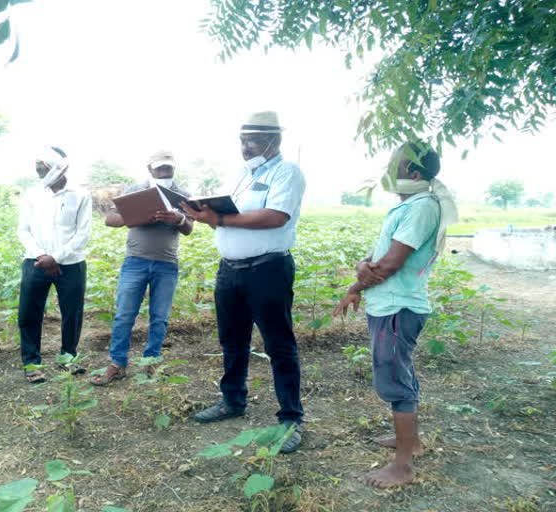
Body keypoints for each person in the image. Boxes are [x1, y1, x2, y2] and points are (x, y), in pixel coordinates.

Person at [332, 141, 457, 488]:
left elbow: (389, 263)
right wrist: (358, 278)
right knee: (401, 372)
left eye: (395, 164)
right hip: (391, 306)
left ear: (413, 173)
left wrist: (362, 278)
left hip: (398, 309)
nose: (388, 169)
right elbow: (376, 258)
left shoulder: (421, 207)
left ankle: (402, 467)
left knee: (395, 382)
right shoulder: (409, 206)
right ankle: (411, 442)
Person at [182, 111, 305, 454]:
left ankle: (291, 419)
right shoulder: (241, 175)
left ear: (273, 139)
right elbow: (230, 221)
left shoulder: (287, 172)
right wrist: (205, 216)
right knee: (232, 341)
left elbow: (274, 216)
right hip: (230, 271)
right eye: (241, 139)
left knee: (278, 345)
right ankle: (232, 401)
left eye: (251, 139)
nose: (244, 145)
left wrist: (219, 216)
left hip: (267, 270)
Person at [91, 150, 193, 385]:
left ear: (174, 169)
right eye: (160, 168)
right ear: (150, 169)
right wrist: (139, 216)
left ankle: (151, 362)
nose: (164, 172)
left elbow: (188, 228)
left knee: (160, 317)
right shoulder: (135, 190)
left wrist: (177, 219)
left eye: (168, 168)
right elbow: (110, 220)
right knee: (124, 315)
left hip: (167, 263)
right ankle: (117, 364)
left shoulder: (182, 195)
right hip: (135, 262)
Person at [17, 147, 92, 383]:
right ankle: (31, 363)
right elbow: (23, 230)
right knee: (29, 313)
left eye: (44, 169)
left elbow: (83, 234)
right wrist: (42, 256)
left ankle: (68, 358)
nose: (41, 174)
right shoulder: (32, 194)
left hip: (70, 265)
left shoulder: (80, 195)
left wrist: (56, 257)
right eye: (38, 170)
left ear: (61, 168)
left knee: (72, 313)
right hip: (35, 263)